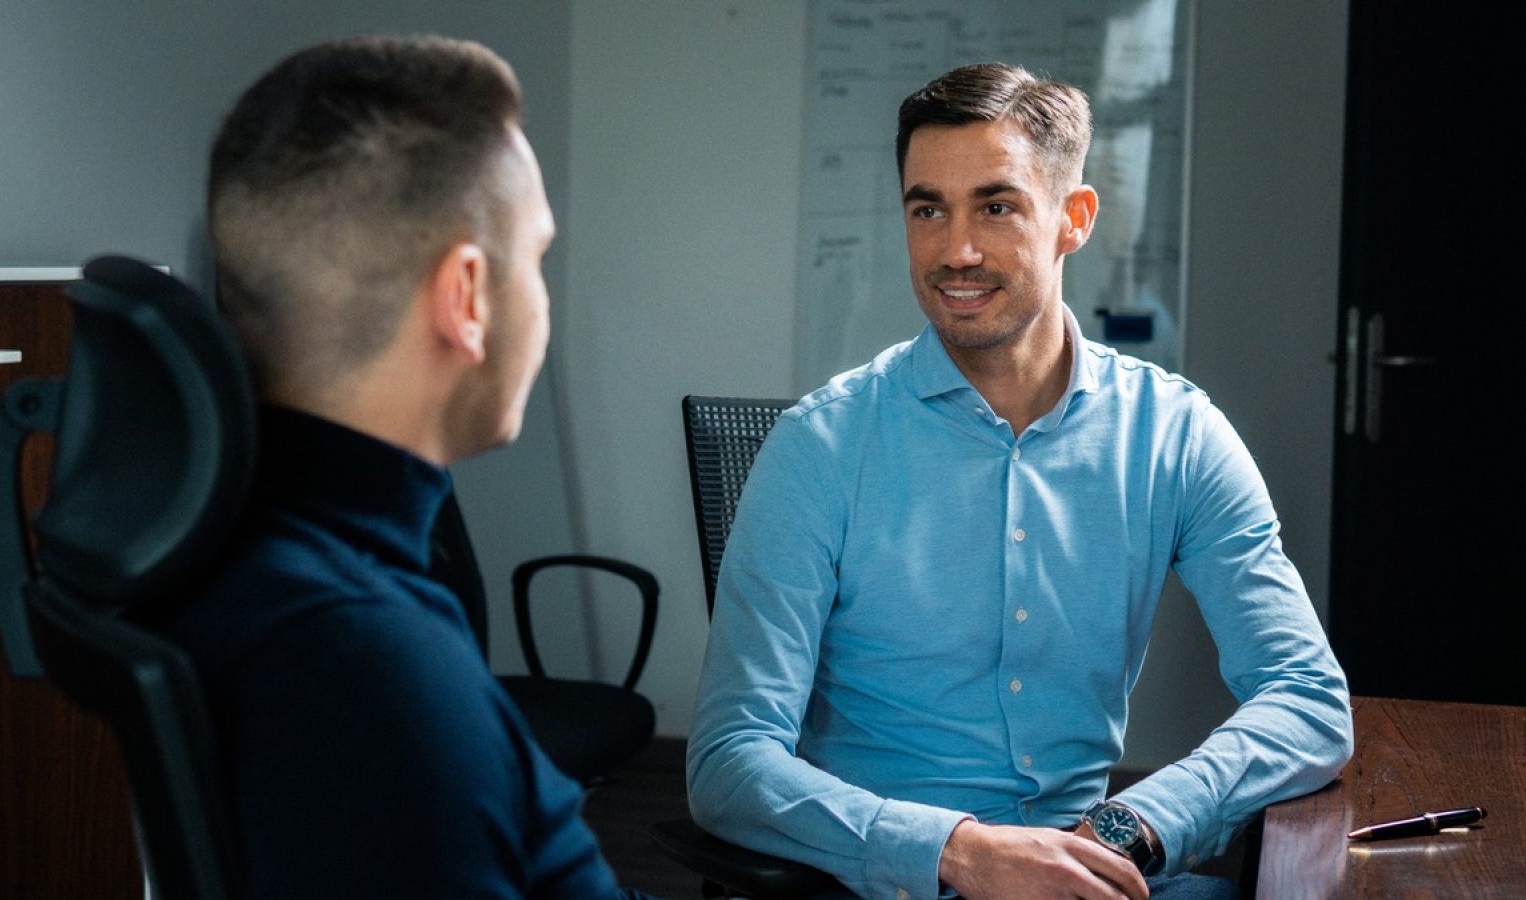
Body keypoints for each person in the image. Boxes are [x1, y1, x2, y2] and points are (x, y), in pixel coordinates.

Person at [686, 62, 1352, 900]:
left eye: (995, 206)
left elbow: (1306, 698)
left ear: (1073, 219)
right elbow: (726, 763)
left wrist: (1135, 826)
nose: (955, 250)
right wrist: (958, 852)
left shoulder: (1175, 436)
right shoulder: (819, 447)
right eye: (928, 208)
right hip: (883, 884)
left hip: (1085, 870)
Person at [153, 35, 651, 899]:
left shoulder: (241, 564)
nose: (542, 296)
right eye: (536, 258)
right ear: (467, 297)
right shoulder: (369, 669)